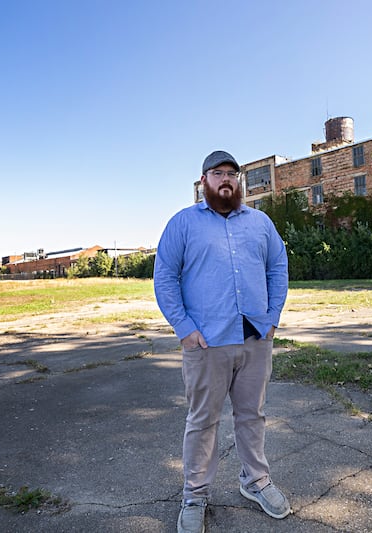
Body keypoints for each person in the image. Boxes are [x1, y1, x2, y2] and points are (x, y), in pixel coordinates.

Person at [153, 150, 291, 533]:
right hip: (206, 344)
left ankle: (255, 481)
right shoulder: (183, 224)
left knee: (252, 416)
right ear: (203, 183)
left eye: (233, 173)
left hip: (254, 339)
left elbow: (278, 267)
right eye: (218, 173)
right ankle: (195, 494)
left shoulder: (261, 224)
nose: (226, 179)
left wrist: (272, 318)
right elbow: (164, 278)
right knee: (202, 421)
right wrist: (185, 329)